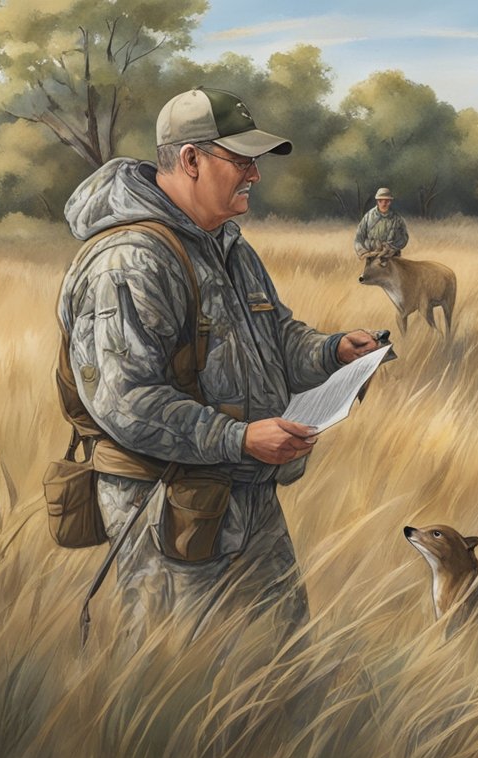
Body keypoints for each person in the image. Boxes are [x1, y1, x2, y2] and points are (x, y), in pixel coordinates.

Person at [58, 87, 383, 649]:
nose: (255, 175)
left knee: (282, 666)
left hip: (246, 490)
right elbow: (123, 399)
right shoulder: (130, 260)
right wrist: (237, 438)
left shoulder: (226, 243)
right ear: (190, 160)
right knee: (175, 680)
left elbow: (273, 336)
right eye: (241, 160)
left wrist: (331, 353)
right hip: (166, 505)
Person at [354, 187, 410, 258]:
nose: (384, 204)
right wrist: (362, 252)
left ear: (390, 202)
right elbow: (358, 237)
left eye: (387, 201)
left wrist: (392, 248)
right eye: (381, 201)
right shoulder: (368, 217)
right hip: (372, 257)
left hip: (392, 258)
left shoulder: (397, 219)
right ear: (377, 201)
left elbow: (404, 237)